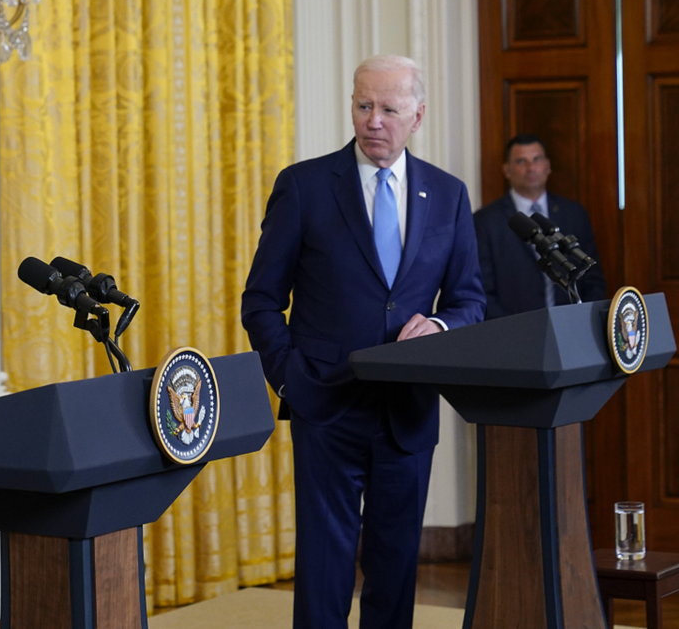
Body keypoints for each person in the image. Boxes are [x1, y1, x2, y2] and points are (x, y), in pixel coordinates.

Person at [241, 55, 485, 629]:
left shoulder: (447, 195)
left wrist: (442, 327)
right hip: (324, 403)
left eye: (389, 109)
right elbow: (260, 301)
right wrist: (289, 378)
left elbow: (470, 300)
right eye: (362, 105)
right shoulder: (302, 186)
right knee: (325, 567)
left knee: (396, 564)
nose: (373, 120)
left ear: (418, 115)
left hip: (409, 407)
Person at [472, 134, 606, 318]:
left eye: (537, 159)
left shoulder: (574, 214)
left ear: (548, 166)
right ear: (507, 170)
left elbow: (593, 278)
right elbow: (482, 290)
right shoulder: (485, 221)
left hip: (572, 326)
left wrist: (582, 319)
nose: (531, 167)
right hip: (514, 334)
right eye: (521, 161)